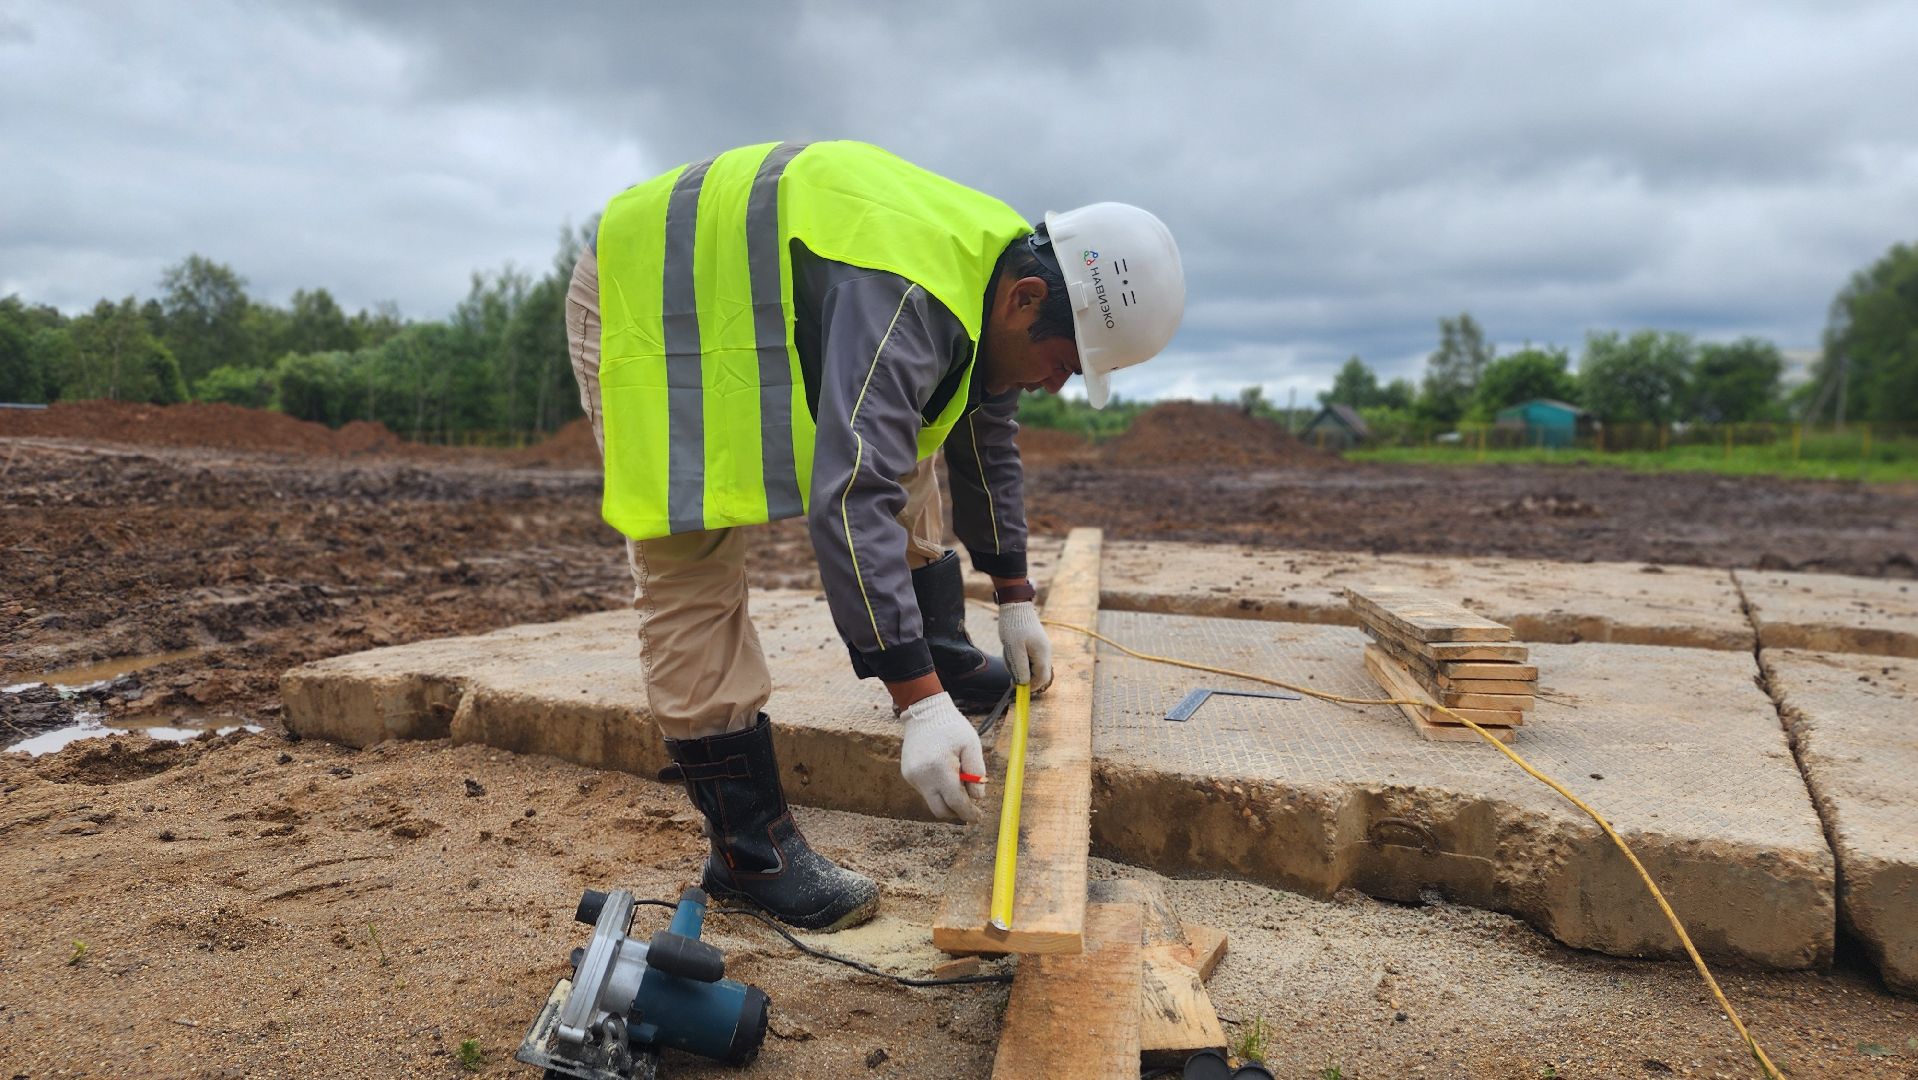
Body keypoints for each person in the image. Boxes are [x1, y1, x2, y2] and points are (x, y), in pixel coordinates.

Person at [564, 140, 1183, 931]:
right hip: (650, 293)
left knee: (912, 435)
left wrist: (1015, 594)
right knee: (691, 541)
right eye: (1062, 363)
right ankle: (751, 851)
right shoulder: (913, 300)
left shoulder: (1000, 272)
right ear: (1026, 300)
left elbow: (982, 437)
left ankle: (941, 652)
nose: (1055, 385)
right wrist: (915, 703)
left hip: (745, 287)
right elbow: (853, 496)